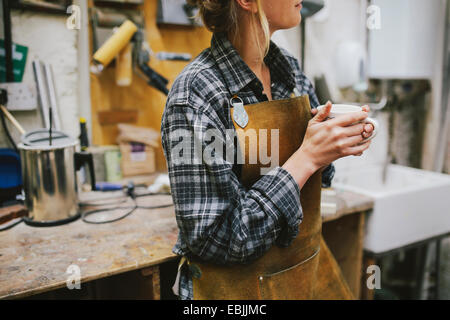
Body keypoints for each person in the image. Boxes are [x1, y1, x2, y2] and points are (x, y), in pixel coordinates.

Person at [161, 0, 374, 300]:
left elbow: (319, 182)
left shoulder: (289, 71)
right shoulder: (196, 94)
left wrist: (335, 143)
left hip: (300, 277)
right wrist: (307, 157)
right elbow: (218, 238)